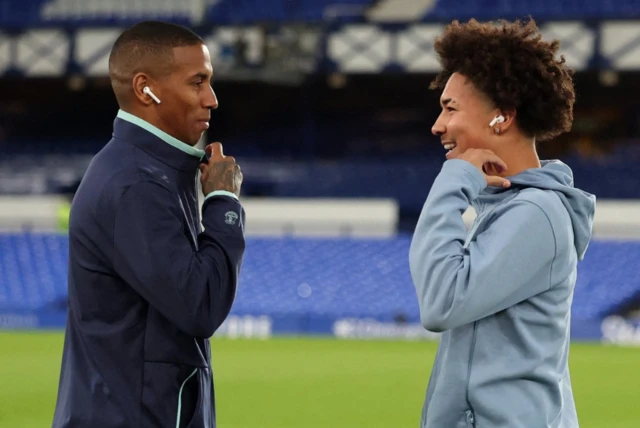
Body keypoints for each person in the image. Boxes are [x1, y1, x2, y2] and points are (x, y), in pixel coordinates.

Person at [52, 21, 245, 428]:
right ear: (145, 89)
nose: (211, 99)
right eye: (198, 82)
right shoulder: (136, 184)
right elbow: (201, 306)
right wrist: (224, 203)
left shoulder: (147, 171)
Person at [408, 18, 596, 428]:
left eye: (450, 107)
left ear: (502, 118)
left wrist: (453, 182)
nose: (437, 125)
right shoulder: (511, 207)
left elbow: (441, 301)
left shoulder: (537, 214)